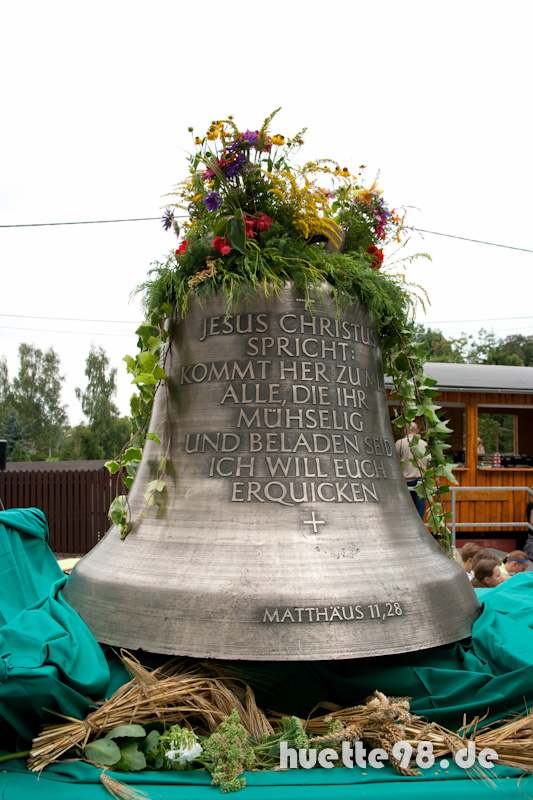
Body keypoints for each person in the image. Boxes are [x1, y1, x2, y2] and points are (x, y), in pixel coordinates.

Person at [395, 422, 430, 520]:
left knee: (405, 512)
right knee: (419, 513)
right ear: (417, 431)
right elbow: (429, 462)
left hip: (404, 482)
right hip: (421, 482)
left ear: (405, 431)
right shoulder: (424, 444)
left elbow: (394, 461)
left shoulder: (400, 443)